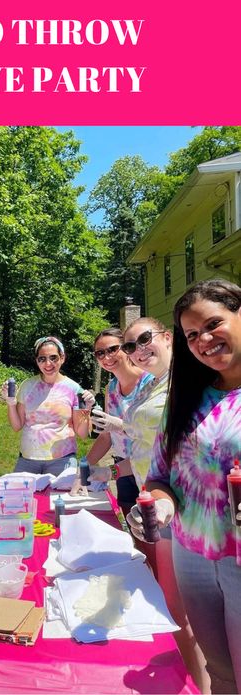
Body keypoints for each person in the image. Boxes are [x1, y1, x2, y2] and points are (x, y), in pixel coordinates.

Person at [128, 280, 241, 694]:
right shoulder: (187, 397)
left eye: (213, 324)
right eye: (192, 334)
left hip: (238, 559)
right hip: (190, 553)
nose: (203, 340)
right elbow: (160, 476)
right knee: (220, 672)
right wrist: (161, 507)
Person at [89, 317, 209, 692]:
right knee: (176, 608)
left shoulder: (192, 379)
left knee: (202, 612)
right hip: (157, 500)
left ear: (167, 338)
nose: (136, 351)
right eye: (129, 346)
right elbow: (146, 443)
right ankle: (203, 683)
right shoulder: (150, 386)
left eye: (143, 340)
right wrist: (109, 466)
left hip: (195, 508)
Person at [81, 327, 152, 516]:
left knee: (157, 533)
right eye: (100, 353)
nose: (107, 357)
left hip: (151, 470)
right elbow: (106, 436)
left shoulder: (151, 383)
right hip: (122, 469)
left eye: (113, 349)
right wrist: (83, 465)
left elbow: (156, 434)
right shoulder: (111, 388)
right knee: (133, 529)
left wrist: (119, 425)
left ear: (126, 348)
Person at [2, 336, 95, 476]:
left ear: (62, 358)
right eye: (42, 359)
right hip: (27, 459)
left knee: (59, 498)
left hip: (61, 461)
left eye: (54, 358)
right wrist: (10, 403)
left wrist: (86, 410)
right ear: (37, 361)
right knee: (20, 497)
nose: (48, 363)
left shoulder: (74, 389)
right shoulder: (27, 385)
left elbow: (82, 434)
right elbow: (17, 426)